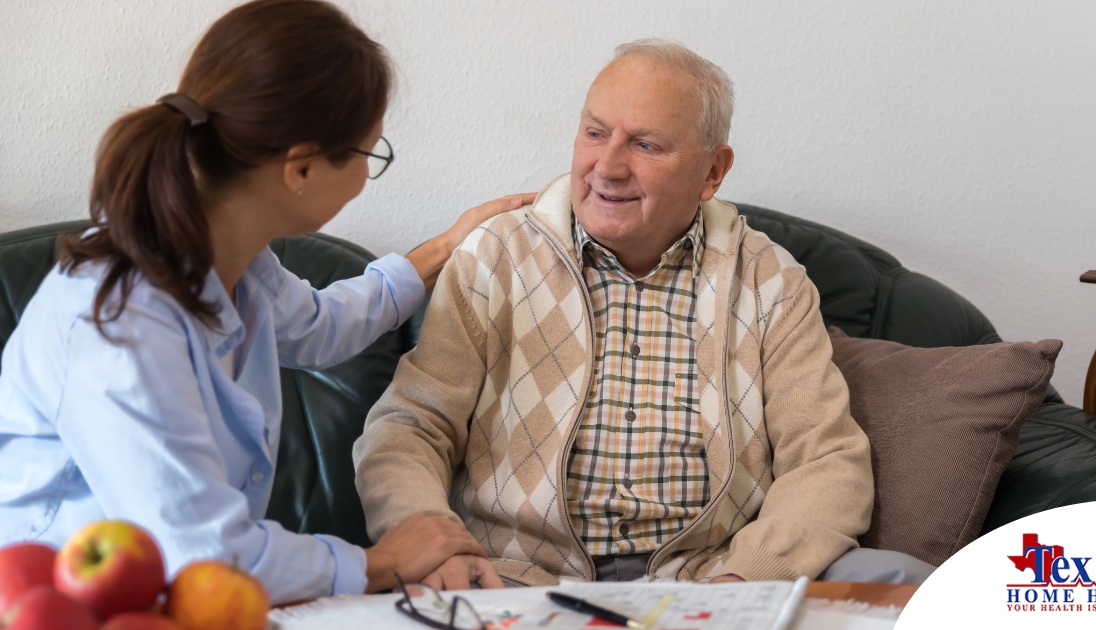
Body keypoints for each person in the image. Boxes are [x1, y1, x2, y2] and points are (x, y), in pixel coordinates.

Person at [353, 39, 935, 589]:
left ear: (713, 172)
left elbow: (826, 459)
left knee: (903, 580)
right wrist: (434, 542)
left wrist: (749, 576)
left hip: (713, 574)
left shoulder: (771, 281)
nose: (607, 166)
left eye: (646, 144)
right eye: (595, 133)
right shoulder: (496, 255)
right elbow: (411, 426)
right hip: (517, 577)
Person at [0, 0, 521, 604]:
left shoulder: (233, 257)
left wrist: (449, 245)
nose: (364, 176)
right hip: (61, 601)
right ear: (299, 169)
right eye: (369, 154)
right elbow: (199, 552)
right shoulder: (119, 323)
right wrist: (380, 562)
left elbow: (322, 328)